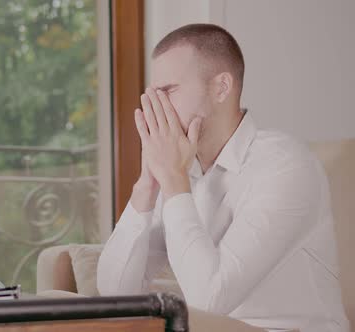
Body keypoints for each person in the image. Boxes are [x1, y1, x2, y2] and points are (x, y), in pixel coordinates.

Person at [96, 23, 350, 332]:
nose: (155, 108)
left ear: (221, 88)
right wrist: (147, 182)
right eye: (152, 96)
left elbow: (209, 300)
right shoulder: (181, 168)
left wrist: (174, 180)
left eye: (168, 92)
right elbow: (114, 296)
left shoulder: (285, 166)